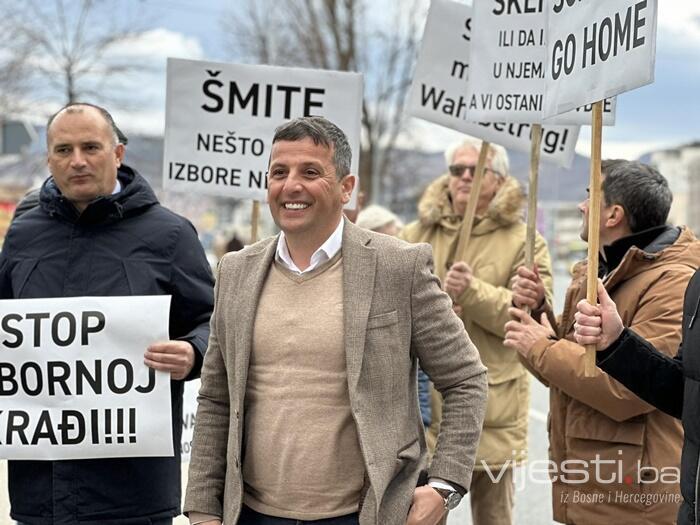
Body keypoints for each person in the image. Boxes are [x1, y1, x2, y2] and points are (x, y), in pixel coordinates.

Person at [184, 116, 488, 525]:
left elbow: (466, 378)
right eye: (279, 172)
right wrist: (203, 507)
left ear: (346, 188)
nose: (292, 185)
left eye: (311, 172)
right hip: (252, 514)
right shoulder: (236, 271)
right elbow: (216, 397)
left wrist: (444, 486)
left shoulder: (399, 266)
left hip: (366, 512)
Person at [0, 102, 214, 525]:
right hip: (40, 495)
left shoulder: (169, 235)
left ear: (118, 153)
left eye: (90, 147)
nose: (76, 161)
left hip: (134, 498)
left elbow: (215, 322)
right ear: (48, 159)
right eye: (63, 150)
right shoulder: (22, 236)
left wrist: (193, 353)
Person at [505, 160, 698, 524]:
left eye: (590, 196)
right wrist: (537, 311)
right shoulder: (597, 270)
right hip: (594, 490)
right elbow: (565, 373)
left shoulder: (673, 282)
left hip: (634, 500)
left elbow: (630, 392)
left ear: (613, 215)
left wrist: (542, 347)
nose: (581, 205)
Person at [399, 137, 553, 525]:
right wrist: (434, 309)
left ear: (499, 180)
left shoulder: (527, 241)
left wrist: (473, 292)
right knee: (420, 518)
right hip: (420, 412)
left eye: (476, 169)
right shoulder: (412, 234)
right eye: (457, 170)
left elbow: (530, 321)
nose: (465, 176)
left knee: (494, 518)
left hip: (492, 408)